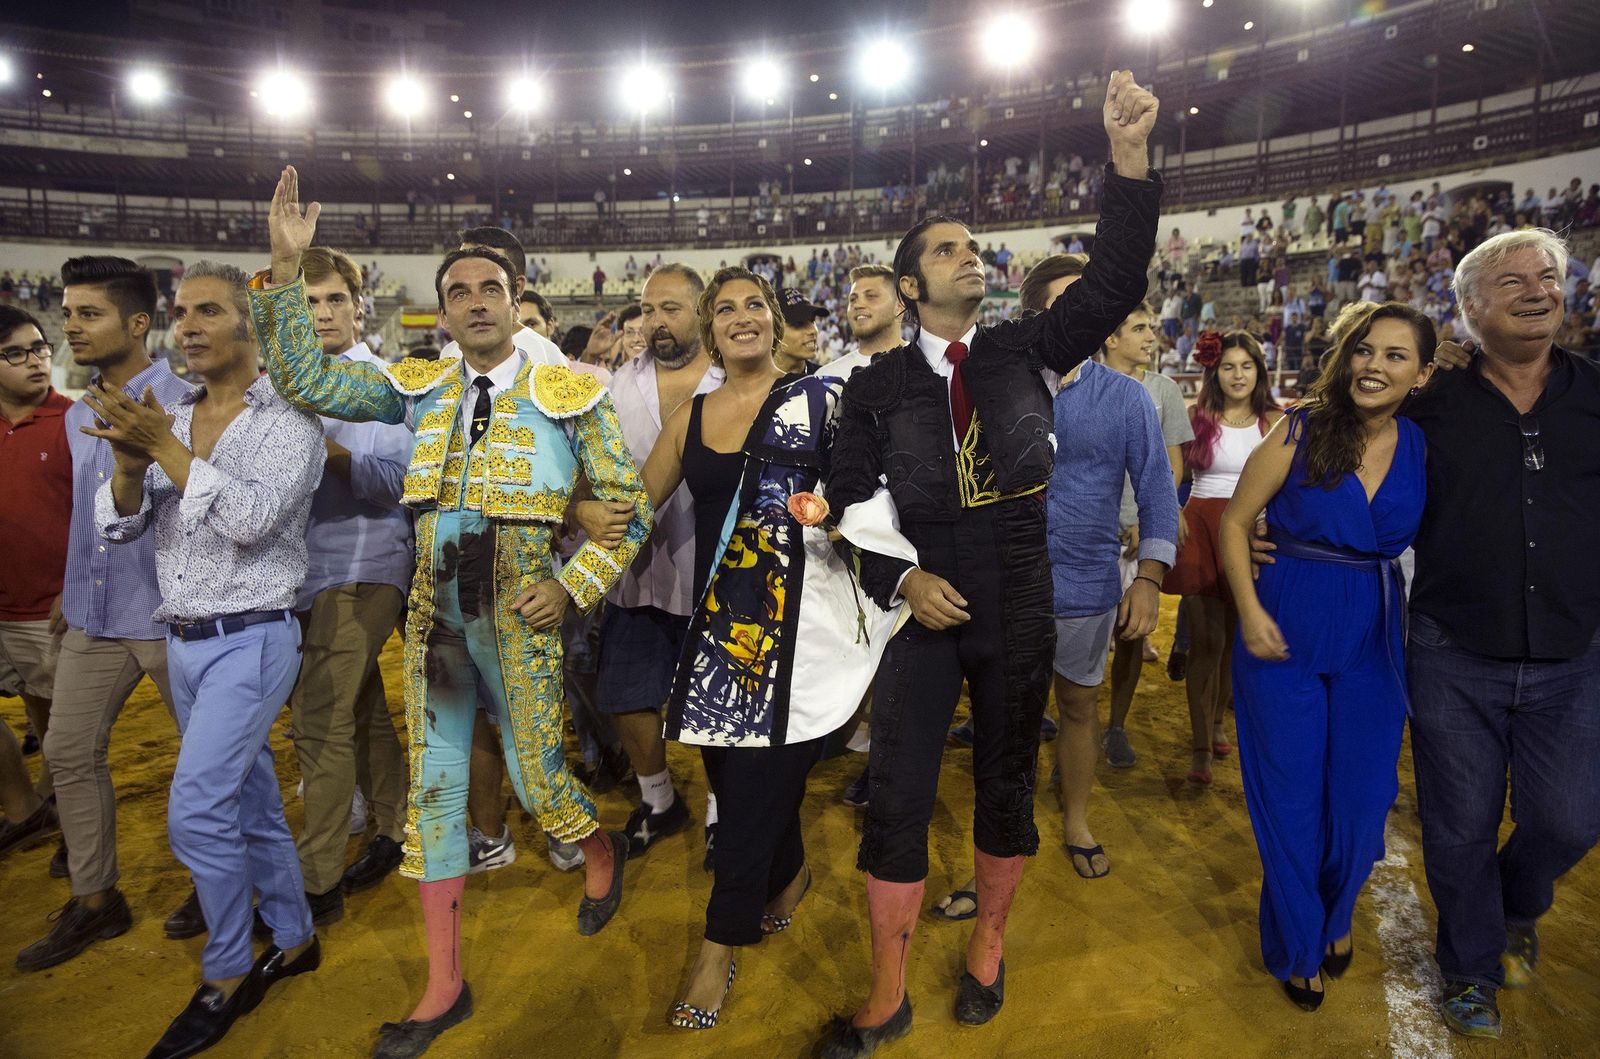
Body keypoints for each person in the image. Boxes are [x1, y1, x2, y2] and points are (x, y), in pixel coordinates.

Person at [253, 167, 651, 1057]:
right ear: (441, 312)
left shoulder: (571, 392)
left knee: (538, 779)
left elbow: (631, 515)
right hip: (435, 615)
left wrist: (572, 586)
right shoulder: (419, 386)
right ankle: (444, 985)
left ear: (515, 300)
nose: (475, 302)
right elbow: (307, 379)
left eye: (489, 288)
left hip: (521, 611)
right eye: (458, 292)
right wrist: (283, 271)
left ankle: (599, 848)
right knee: (435, 794)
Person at [818, 70, 1160, 1055]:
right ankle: (887, 993)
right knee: (898, 788)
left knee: (1007, 776)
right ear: (909, 285)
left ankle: (987, 950)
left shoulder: (1022, 347)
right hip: (920, 593)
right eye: (947, 249)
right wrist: (899, 580)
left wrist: (1127, 156)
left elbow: (1114, 283)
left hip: (1017, 581)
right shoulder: (874, 383)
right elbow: (846, 499)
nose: (970, 256)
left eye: (974, 246)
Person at [637, 267, 903, 1029]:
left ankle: (717, 946)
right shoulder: (691, 416)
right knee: (729, 769)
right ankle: (791, 871)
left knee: (751, 790)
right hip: (718, 636)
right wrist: (579, 518)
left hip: (800, 635)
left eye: (754, 304)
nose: (741, 317)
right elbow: (637, 505)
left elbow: (866, 494)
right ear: (712, 330)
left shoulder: (823, 400)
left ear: (775, 320)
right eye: (725, 309)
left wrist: (844, 524)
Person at [87, 260, 325, 1058]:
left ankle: (226, 968)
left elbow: (252, 520)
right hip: (184, 642)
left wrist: (162, 446)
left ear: (250, 325)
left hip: (253, 639)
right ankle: (293, 936)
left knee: (195, 810)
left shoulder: (290, 422)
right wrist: (131, 465)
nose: (186, 326)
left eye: (208, 311)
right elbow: (118, 526)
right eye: (181, 312)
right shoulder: (175, 417)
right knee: (249, 801)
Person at [1396, 229, 1600, 1038]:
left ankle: (1518, 900)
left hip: (1575, 652)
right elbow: (1334, 435)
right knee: (1458, 827)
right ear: (1468, 309)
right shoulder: (1429, 399)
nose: (1537, 289)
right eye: (1512, 280)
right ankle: (1470, 967)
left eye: (1547, 276)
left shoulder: (1595, 392)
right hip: (1451, 649)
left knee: (1570, 819)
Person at [1222, 302, 1435, 1012]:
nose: (1374, 365)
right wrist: (1250, 610)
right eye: (1364, 350)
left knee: (1363, 798)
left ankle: (1336, 908)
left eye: (1396, 355)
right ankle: (1300, 944)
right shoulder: (1300, 426)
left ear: (1422, 374)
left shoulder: (1421, 442)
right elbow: (1234, 521)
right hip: (1283, 627)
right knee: (1289, 799)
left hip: (1373, 636)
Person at [16, 258, 191, 973]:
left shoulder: (186, 402)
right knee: (66, 750)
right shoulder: (80, 409)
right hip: (96, 612)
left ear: (138, 322)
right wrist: (71, 587)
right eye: (68, 312)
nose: (71, 326)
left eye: (88, 313)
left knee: (214, 761)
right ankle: (95, 899)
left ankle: (224, 883)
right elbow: (83, 515)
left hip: (174, 613)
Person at [287, 247, 414, 914]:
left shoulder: (380, 384)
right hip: (300, 573)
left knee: (320, 715)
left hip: (366, 563)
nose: (323, 313)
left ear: (359, 307)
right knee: (357, 706)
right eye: (308, 302)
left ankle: (318, 879)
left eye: (334, 299)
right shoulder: (282, 384)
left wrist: (320, 448)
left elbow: (397, 482)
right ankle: (391, 826)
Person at [599, 263, 722, 865]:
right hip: (636, 568)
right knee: (626, 694)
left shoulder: (734, 379)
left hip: (719, 569)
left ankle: (723, 808)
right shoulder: (615, 386)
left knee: (720, 697)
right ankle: (658, 798)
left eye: (670, 308)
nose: (656, 322)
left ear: (701, 312)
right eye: (648, 310)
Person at [1162, 331, 1281, 784]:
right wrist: (1170, 511)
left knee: (1234, 640)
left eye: (1246, 366)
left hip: (1252, 533)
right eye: (1229, 366)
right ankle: (1200, 747)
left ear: (1259, 371)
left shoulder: (1276, 421)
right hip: (1202, 530)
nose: (1238, 375)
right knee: (1206, 642)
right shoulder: (1196, 417)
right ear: (1215, 372)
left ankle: (1215, 724)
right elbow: (1168, 472)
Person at [1102, 303, 1193, 769]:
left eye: (1151, 328)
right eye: (1139, 328)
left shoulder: (1163, 389)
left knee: (1131, 635)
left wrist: (1150, 517)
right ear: (1111, 338)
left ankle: (1115, 725)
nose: (1151, 337)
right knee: (1068, 635)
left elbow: (1173, 466)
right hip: (1092, 533)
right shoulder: (1083, 384)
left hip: (1135, 531)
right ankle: (1069, 721)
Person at [0, 305, 70, 857]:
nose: (35, 360)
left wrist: (78, 584)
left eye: (40, 348)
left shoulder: (74, 421)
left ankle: (67, 820)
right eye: (16, 353)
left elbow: (101, 515)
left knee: (57, 726)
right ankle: (25, 809)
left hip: (50, 609)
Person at [822, 263, 901, 381]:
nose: (857, 305)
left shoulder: (926, 365)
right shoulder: (826, 378)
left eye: (871, 296)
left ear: (899, 306)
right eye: (853, 299)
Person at [775, 287, 826, 374]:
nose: (813, 330)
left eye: (813, 321)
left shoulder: (825, 378)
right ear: (774, 333)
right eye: (799, 324)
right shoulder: (752, 380)